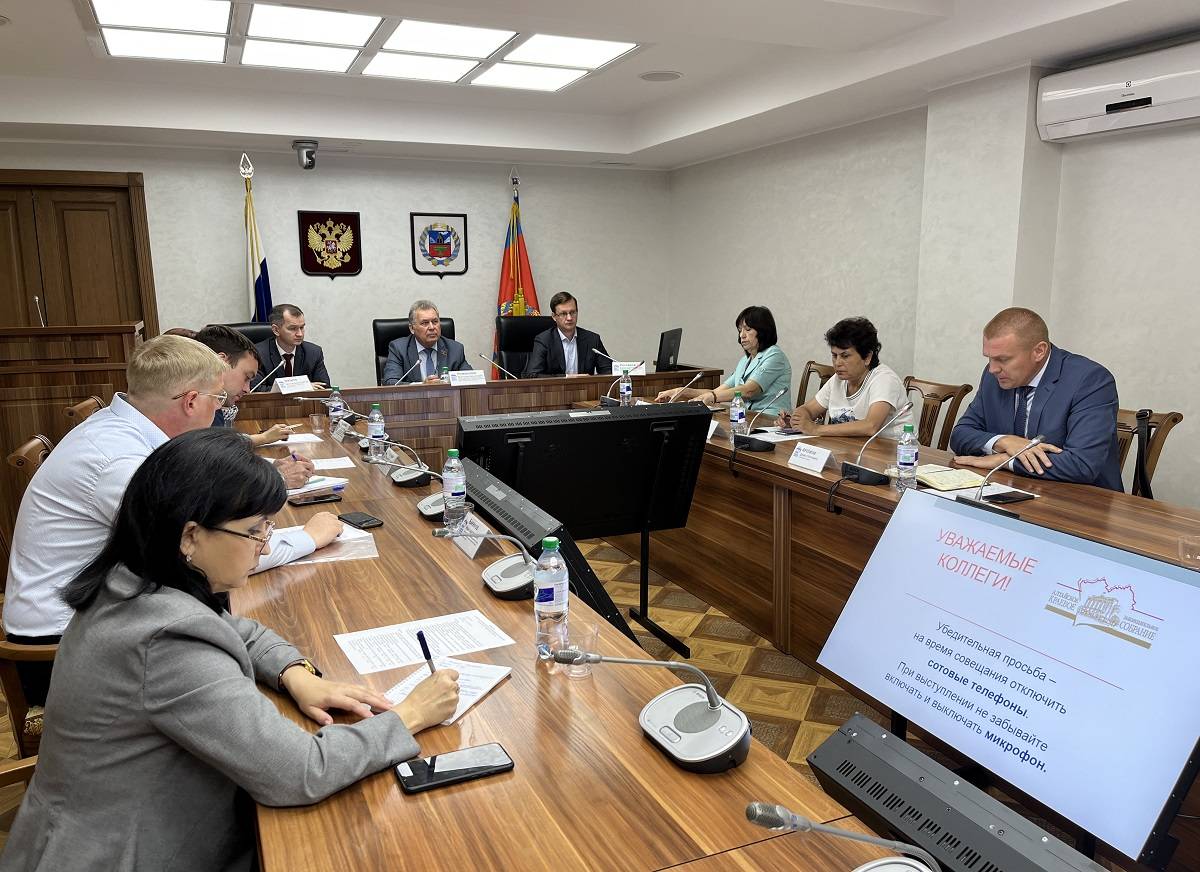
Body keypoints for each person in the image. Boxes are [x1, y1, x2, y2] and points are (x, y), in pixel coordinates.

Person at [0, 429, 460, 871]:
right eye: (255, 530)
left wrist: (296, 674)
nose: (265, 545)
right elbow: (299, 770)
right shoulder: (169, 640)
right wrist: (410, 715)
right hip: (127, 854)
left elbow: (239, 632)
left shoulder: (135, 580)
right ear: (190, 536)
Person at [2, 335, 342, 705]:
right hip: (61, 647)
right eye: (218, 399)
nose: (220, 410)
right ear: (191, 401)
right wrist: (309, 538)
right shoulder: (120, 461)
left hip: (103, 611)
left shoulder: (124, 430)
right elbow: (200, 555)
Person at [949, 307, 1122, 490]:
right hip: (1012, 489)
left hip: (1081, 499)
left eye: (1003, 359)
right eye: (989, 358)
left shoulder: (1090, 380)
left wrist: (1006, 460)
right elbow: (960, 435)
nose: (993, 369)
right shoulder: (995, 376)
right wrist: (1004, 441)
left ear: (1039, 351)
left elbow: (1082, 464)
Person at [194, 325, 312, 486]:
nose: (247, 389)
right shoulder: (194, 410)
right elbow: (209, 482)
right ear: (221, 362)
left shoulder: (214, 404)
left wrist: (269, 468)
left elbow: (222, 459)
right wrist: (278, 477)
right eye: (246, 377)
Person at [776, 317, 912, 438]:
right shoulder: (838, 380)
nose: (837, 363)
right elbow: (808, 409)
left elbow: (870, 426)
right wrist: (796, 421)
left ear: (867, 357)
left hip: (897, 453)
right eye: (834, 355)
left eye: (845, 356)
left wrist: (816, 429)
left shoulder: (884, 379)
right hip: (852, 450)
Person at [654, 305, 792, 418]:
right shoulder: (745, 361)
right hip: (747, 419)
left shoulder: (774, 355)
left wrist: (712, 396)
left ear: (763, 331)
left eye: (748, 330)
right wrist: (681, 392)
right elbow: (717, 392)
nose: (742, 335)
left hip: (770, 421)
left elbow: (749, 390)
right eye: (740, 330)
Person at [381, 300, 470, 385]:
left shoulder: (455, 349)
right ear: (412, 328)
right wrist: (422, 386)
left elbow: (470, 380)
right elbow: (391, 383)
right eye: (425, 323)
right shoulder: (399, 349)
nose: (432, 327)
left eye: (435, 322)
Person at [523, 291, 610, 377]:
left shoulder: (592, 339)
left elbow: (609, 371)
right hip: (556, 386)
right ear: (554, 316)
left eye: (572, 312)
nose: (569, 318)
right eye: (563, 314)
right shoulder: (544, 340)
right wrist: (567, 377)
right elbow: (533, 374)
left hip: (585, 386)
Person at [254, 303, 331, 390]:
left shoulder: (313, 353)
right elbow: (254, 389)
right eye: (292, 328)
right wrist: (301, 387)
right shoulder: (258, 354)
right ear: (276, 330)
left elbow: (324, 387)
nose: (300, 334)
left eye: (301, 327)